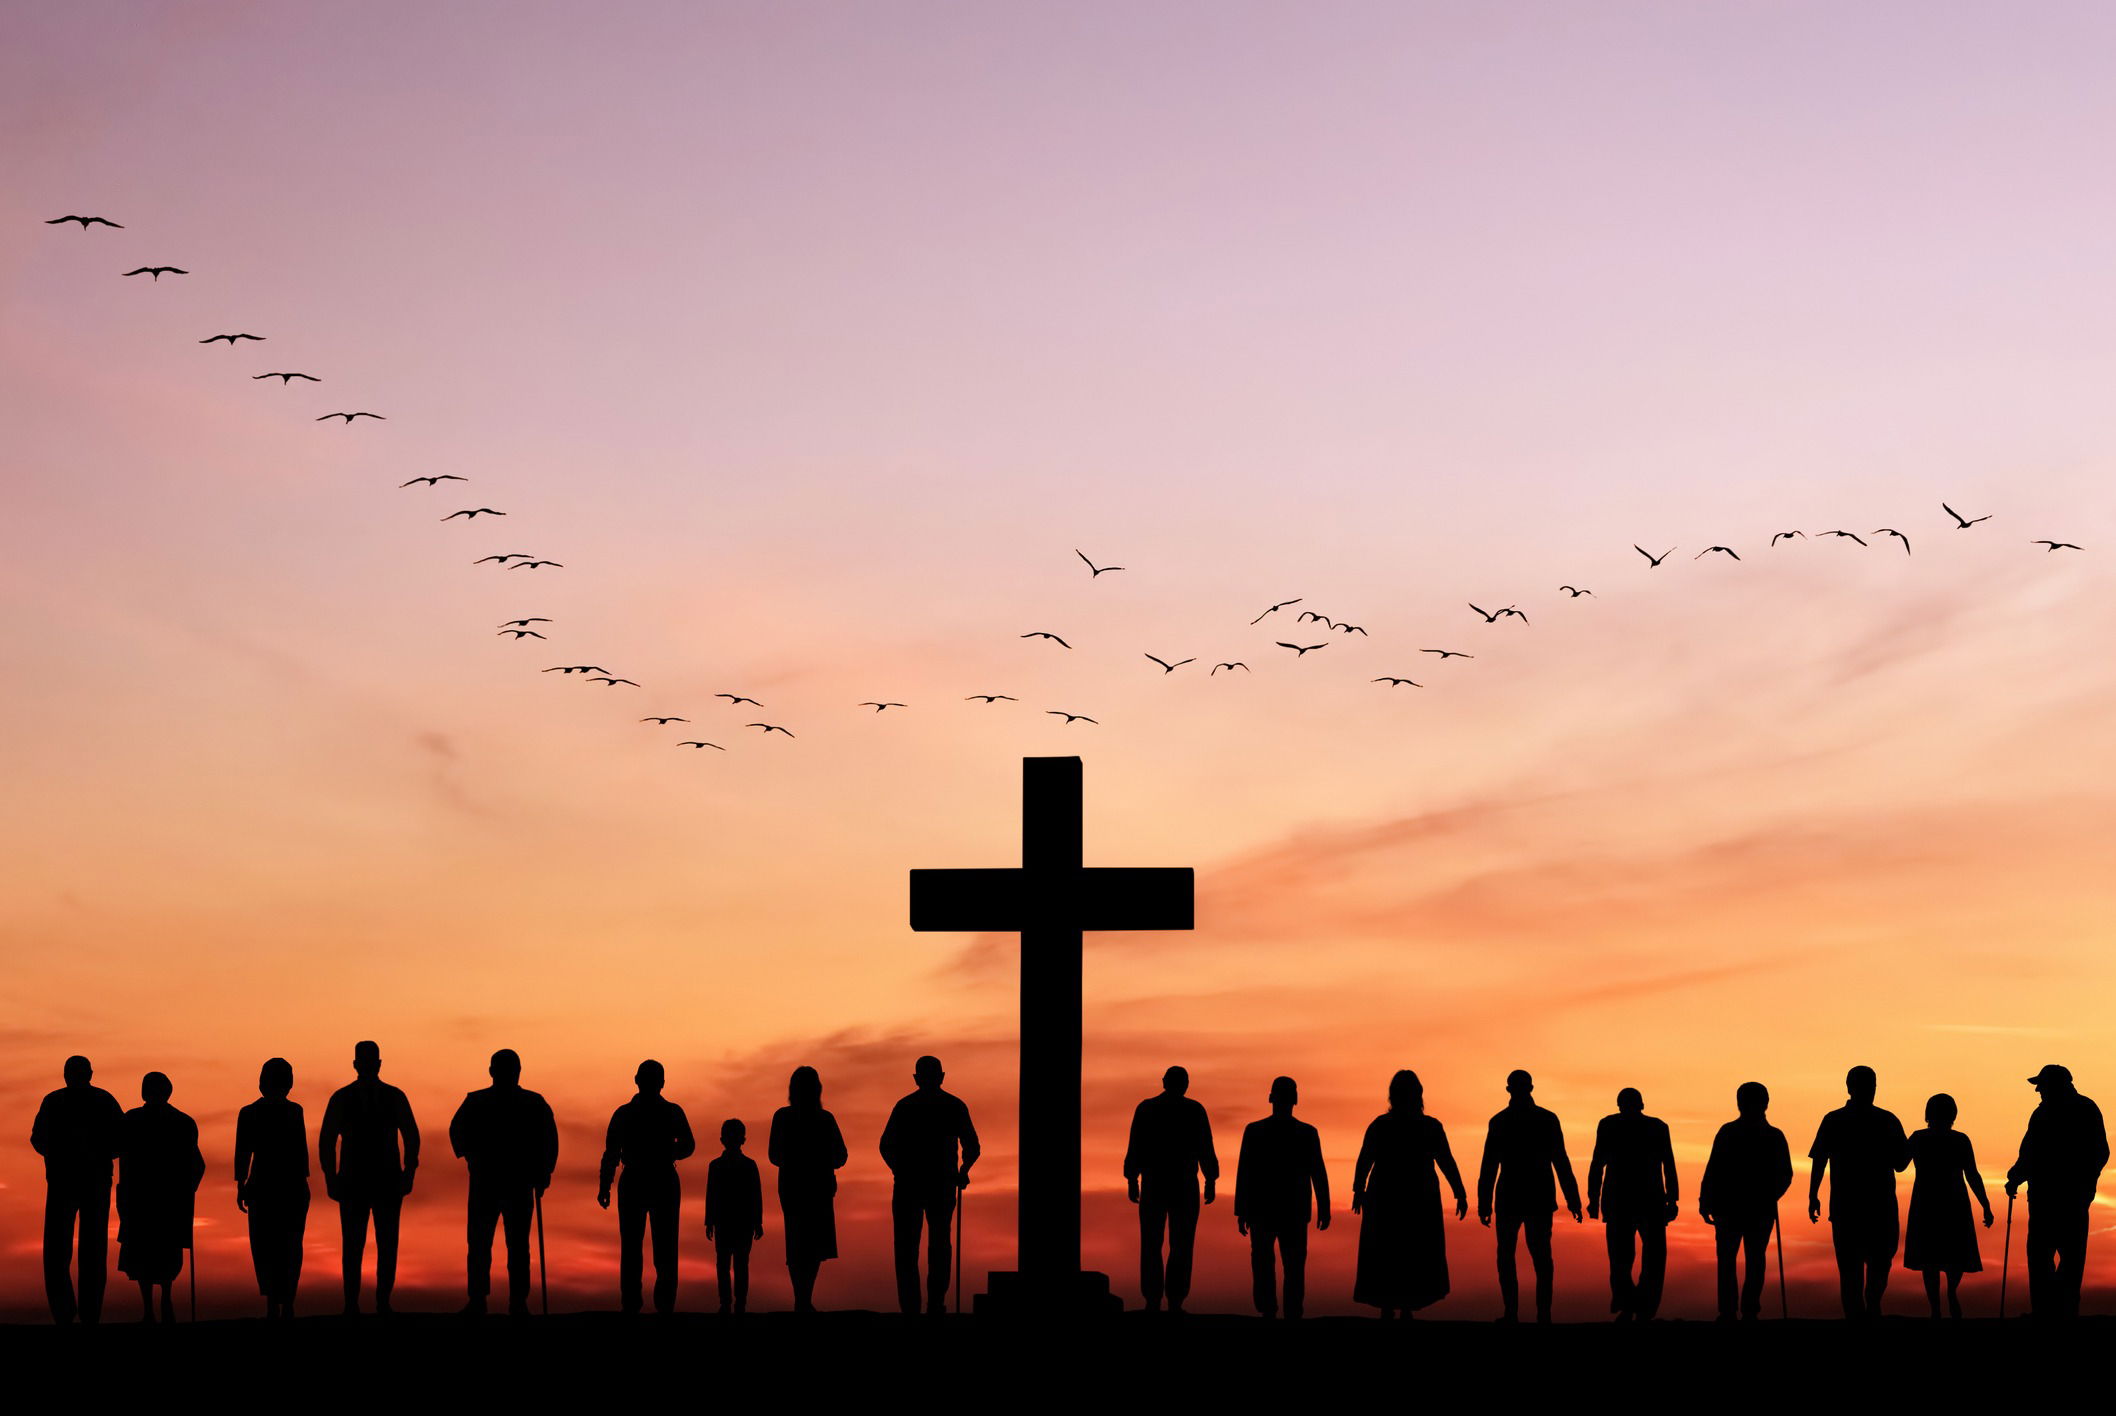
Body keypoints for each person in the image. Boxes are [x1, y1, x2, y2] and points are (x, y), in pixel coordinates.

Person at [448, 1048, 558, 1317]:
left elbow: (548, 1140)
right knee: (487, 1243)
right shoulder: (483, 1101)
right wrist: (470, 1156)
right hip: (495, 1181)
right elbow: (457, 1132)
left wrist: (543, 1173)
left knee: (507, 1244)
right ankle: (487, 1301)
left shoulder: (530, 1103)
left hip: (512, 1182)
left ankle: (512, 1302)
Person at [1351, 1069, 1466, 1319]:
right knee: (1400, 1250)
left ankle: (1396, 1306)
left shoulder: (1386, 1126)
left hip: (1403, 1197)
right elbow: (1365, 1160)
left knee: (1398, 1250)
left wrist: (1460, 1191)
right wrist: (1358, 1189)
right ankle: (1398, 1306)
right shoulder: (1423, 1126)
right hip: (1400, 1197)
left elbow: (1445, 1160)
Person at [318, 1039, 420, 1316]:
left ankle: (375, 1303)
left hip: (377, 1180)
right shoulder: (383, 1096)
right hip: (361, 1181)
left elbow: (411, 1136)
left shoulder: (355, 1097)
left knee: (373, 1243)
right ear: (375, 1064)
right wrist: (330, 1176)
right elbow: (326, 1140)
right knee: (361, 1243)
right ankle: (358, 1303)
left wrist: (409, 1170)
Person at [1477, 1069, 1582, 1324]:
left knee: (1518, 1256)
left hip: (1517, 1196)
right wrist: (1573, 1199)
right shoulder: (1544, 1119)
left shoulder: (1502, 1121)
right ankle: (1537, 1314)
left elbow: (1489, 1165)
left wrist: (1483, 1202)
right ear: (1530, 1088)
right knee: (1535, 1256)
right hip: (1531, 1196)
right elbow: (1561, 1161)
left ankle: (1518, 1313)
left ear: (1509, 1089)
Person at [2005, 1064, 2109, 1321]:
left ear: (2056, 1085)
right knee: (2060, 1258)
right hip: (2056, 1197)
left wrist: (2017, 1176)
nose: (2038, 1090)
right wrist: (2016, 1176)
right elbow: (2029, 1153)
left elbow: (2099, 1153)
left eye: (2042, 1085)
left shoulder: (2072, 1111)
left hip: (2058, 1197)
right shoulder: (2078, 1109)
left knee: (2050, 1257)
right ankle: (2056, 1312)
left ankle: (2053, 1313)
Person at [878, 1055, 979, 1316]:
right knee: (938, 1245)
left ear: (917, 1078)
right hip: (938, 1184)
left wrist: (899, 1170)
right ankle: (934, 1304)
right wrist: (963, 1171)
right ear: (941, 1076)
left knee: (908, 1248)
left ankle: (913, 1307)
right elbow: (973, 1147)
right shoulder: (953, 1105)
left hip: (913, 1185)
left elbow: (885, 1145)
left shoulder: (905, 1106)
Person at [1808, 1065, 1909, 1319]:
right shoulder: (1885, 1120)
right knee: (1869, 1264)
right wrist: (1812, 1194)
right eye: (1867, 1085)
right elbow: (1901, 1164)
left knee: (1860, 1265)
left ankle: (1864, 1311)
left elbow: (1820, 1159)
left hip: (1854, 1206)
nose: (1870, 1090)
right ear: (1852, 1088)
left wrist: (1813, 1195)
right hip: (1870, 1206)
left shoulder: (1836, 1120)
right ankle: (1866, 1310)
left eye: (1871, 1085)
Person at [30, 1055, 124, 1325]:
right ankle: (88, 1313)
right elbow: (122, 1139)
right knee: (92, 1248)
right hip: (89, 1180)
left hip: (65, 1181)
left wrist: (57, 1157)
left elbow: (38, 1138)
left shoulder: (54, 1101)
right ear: (90, 1074)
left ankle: (65, 1312)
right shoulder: (103, 1100)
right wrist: (101, 1155)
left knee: (58, 1248)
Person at [598, 1059, 694, 1315]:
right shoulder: (633, 1113)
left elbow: (688, 1145)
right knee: (639, 1245)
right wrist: (605, 1184)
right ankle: (637, 1304)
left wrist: (605, 1184)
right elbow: (611, 1152)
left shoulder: (635, 1113)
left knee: (657, 1246)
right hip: (644, 1180)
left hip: (654, 1179)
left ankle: (652, 1304)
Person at [1123, 1065, 1219, 1314]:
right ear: (1185, 1084)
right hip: (1182, 1185)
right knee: (1181, 1244)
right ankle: (1173, 1300)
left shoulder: (1147, 1108)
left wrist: (1132, 1178)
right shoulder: (1193, 1110)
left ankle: (1154, 1300)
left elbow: (1136, 1146)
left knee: (1153, 1243)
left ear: (1164, 1082)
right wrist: (1210, 1179)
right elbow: (1205, 1147)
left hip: (1156, 1184)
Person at [1234, 1076, 1330, 1320]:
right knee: (1293, 1264)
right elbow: (1318, 1172)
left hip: (1266, 1209)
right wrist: (1324, 1207)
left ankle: (1270, 1310)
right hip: (1290, 1210)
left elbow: (1245, 1171)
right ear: (1295, 1099)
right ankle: (1290, 1312)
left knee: (1266, 1261)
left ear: (1271, 1098)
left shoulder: (1255, 1131)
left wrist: (1242, 1210)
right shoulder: (1307, 1133)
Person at [1698, 1081, 1793, 1321]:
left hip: (1737, 1207)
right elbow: (1714, 1169)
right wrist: (1770, 1196)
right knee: (1749, 1258)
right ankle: (1743, 1310)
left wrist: (1706, 1199)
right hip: (1746, 1207)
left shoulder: (1733, 1132)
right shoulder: (1770, 1135)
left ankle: (1736, 1310)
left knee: (1736, 1259)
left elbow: (1784, 1174)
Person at [115, 1072, 205, 1323]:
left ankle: (150, 1308)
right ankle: (162, 1299)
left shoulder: (131, 1120)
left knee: (144, 1252)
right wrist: (187, 1189)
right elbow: (198, 1165)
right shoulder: (183, 1122)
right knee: (162, 1250)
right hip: (165, 1199)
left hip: (142, 1199)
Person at [1586, 1087, 1679, 1322]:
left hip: (1626, 1203)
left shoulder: (1610, 1125)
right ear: (1642, 1104)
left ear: (1620, 1105)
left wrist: (1593, 1199)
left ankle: (1632, 1306)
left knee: (1622, 1258)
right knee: (1648, 1259)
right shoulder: (1656, 1127)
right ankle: (1638, 1308)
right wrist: (1672, 1198)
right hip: (1643, 1203)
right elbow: (1668, 1164)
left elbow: (1597, 1163)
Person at [1903, 1093, 1993, 1319]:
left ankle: (1936, 1306)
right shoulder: (1960, 1140)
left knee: (1929, 1258)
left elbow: (1899, 1164)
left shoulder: (1918, 1138)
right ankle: (1950, 1293)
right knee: (1953, 1254)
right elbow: (1972, 1174)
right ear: (1953, 1114)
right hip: (1954, 1201)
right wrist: (1985, 1204)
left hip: (1927, 1201)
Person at [234, 1058, 311, 1319]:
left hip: (266, 1185)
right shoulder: (294, 1111)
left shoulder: (250, 1113)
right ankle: (286, 1300)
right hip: (288, 1185)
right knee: (289, 1244)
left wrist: (240, 1183)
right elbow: (301, 1155)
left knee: (266, 1244)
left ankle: (275, 1302)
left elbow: (243, 1152)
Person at [768, 1065, 848, 1313]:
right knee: (810, 1244)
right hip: (812, 1187)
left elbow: (774, 1155)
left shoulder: (786, 1117)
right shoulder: (823, 1119)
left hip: (799, 1186)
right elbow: (841, 1156)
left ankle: (802, 1298)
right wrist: (818, 1162)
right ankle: (803, 1299)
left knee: (800, 1241)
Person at [706, 1119, 764, 1314]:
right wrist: (709, 1221)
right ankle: (727, 1303)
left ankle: (738, 1304)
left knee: (738, 1264)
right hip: (726, 1222)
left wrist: (757, 1222)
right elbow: (711, 1194)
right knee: (726, 1263)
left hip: (741, 1222)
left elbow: (756, 1194)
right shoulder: (717, 1166)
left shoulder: (747, 1166)